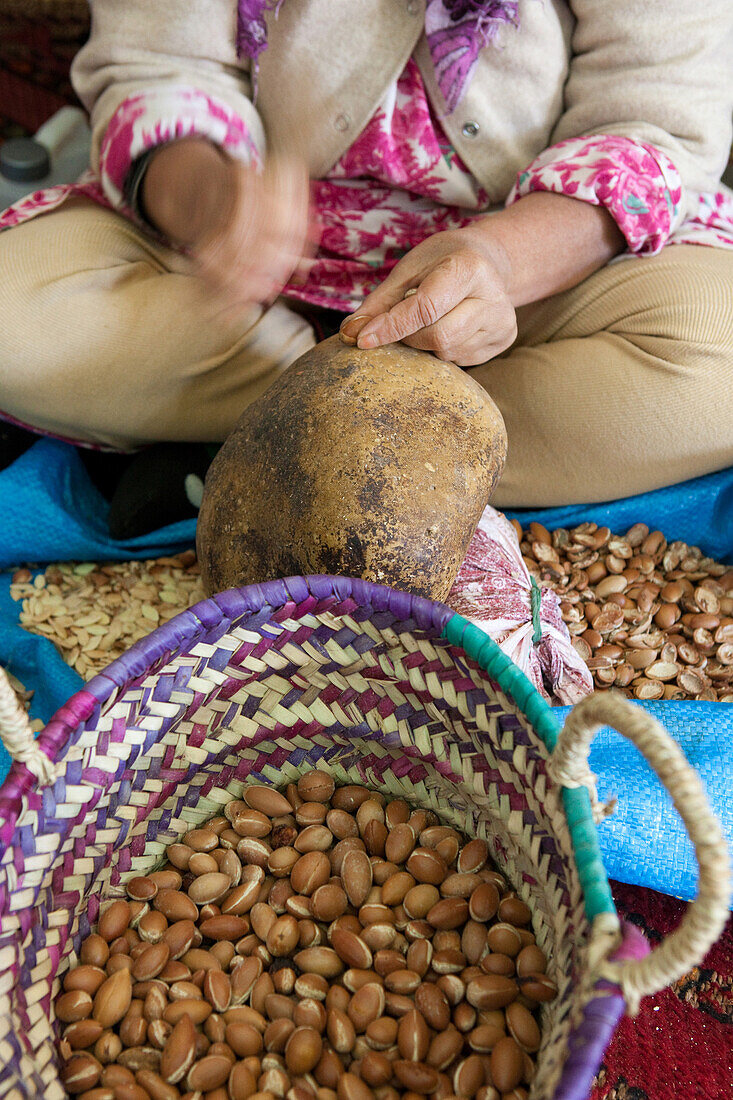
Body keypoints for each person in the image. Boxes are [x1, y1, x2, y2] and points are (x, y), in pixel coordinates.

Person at [0, 0, 732, 534]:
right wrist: (212, 201)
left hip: (530, 260)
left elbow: (652, 117)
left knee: (718, 360)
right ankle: (387, 454)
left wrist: (496, 259)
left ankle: (255, 450)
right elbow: (158, 66)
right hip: (246, 273)